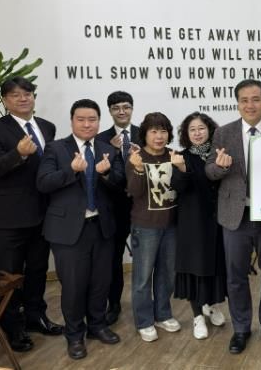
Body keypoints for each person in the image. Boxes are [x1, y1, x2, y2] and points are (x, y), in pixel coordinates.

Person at [205, 79, 261, 354]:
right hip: (235, 215)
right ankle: (241, 328)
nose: (250, 105)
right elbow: (210, 171)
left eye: (255, 99)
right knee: (236, 275)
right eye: (244, 100)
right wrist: (220, 167)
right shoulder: (223, 133)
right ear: (237, 103)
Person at [0, 76, 63, 352]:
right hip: (11, 219)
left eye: (27, 93)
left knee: (38, 270)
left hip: (43, 213)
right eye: (15, 95)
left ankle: (36, 316)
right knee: (10, 275)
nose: (23, 98)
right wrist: (18, 153)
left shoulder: (47, 127)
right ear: (5, 101)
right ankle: (12, 328)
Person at [37, 99, 125, 360]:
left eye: (92, 119)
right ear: (72, 121)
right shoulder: (55, 148)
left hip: (102, 227)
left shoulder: (107, 148)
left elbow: (121, 184)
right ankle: (74, 335)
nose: (87, 124)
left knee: (101, 282)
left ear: (99, 121)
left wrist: (107, 174)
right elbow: (43, 183)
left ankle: (97, 325)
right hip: (68, 231)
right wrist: (71, 170)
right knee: (74, 286)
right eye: (81, 119)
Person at [127, 112, 184, 343]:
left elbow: (184, 188)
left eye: (163, 131)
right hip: (145, 227)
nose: (159, 136)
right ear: (145, 134)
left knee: (168, 274)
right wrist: (138, 169)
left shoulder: (174, 156)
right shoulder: (136, 157)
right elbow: (134, 191)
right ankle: (144, 320)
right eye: (153, 131)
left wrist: (181, 168)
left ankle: (163, 314)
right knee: (142, 277)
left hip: (172, 226)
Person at [174, 112, 227, 340]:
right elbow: (178, 187)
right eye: (192, 129)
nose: (197, 133)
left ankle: (210, 305)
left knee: (215, 265)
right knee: (195, 267)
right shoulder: (181, 157)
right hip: (192, 222)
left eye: (201, 128)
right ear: (186, 134)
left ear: (210, 130)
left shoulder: (219, 154)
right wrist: (182, 170)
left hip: (218, 221)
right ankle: (197, 315)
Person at [96, 91, 143, 325]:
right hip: (114, 208)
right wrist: (113, 150)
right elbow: (100, 172)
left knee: (147, 257)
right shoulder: (100, 139)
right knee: (113, 259)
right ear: (110, 111)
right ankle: (113, 303)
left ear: (132, 108)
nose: (121, 111)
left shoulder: (145, 134)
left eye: (126, 107)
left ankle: (147, 303)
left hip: (142, 206)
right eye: (116, 108)